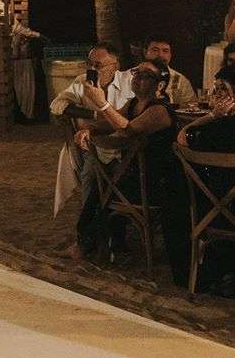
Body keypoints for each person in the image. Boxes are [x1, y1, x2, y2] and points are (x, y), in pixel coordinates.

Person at [71, 60, 187, 277]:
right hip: (134, 175)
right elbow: (113, 122)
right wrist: (89, 129)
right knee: (101, 185)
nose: (137, 78)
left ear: (160, 86)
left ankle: (93, 246)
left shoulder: (160, 111)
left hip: (156, 183)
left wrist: (102, 104)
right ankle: (109, 246)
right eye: (137, 73)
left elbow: (128, 129)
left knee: (104, 189)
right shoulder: (135, 103)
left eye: (145, 76)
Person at [50, 42, 133, 219]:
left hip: (125, 147)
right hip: (93, 146)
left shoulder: (129, 82)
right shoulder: (82, 81)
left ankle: (114, 228)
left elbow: (131, 118)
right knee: (91, 172)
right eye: (90, 64)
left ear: (115, 66)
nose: (93, 69)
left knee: (119, 177)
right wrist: (94, 115)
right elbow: (56, 104)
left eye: (99, 65)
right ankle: (88, 230)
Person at [176, 64, 235, 293]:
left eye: (222, 90)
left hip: (212, 211)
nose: (216, 95)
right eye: (216, 89)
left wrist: (210, 116)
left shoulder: (209, 129)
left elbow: (180, 139)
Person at [142, 36, 196, 107]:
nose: (160, 55)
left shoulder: (180, 80)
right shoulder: (129, 76)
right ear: (145, 52)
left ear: (170, 55)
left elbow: (191, 107)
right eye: (155, 50)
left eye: (165, 51)